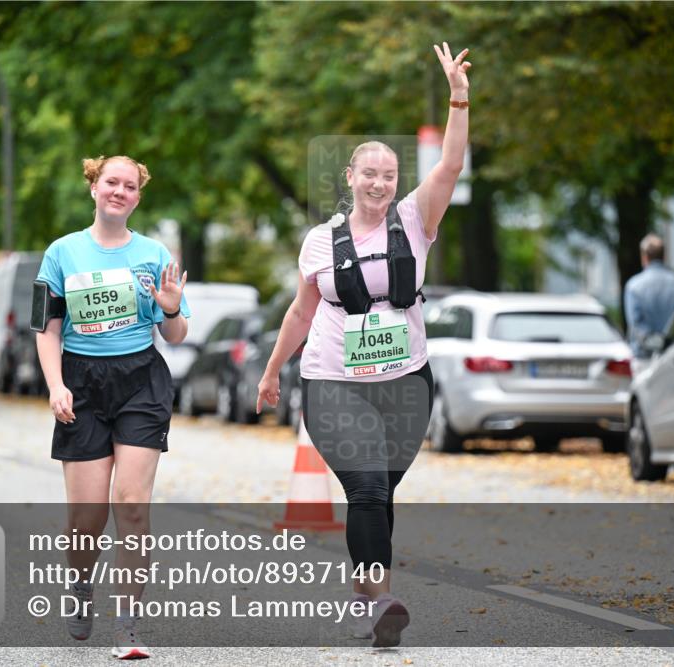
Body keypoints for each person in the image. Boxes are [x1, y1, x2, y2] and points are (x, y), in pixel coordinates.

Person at [257, 42, 471, 648]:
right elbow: (301, 310)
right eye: (368, 173)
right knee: (368, 488)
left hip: (406, 379)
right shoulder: (320, 242)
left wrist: (458, 97)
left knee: (380, 494)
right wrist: (273, 371)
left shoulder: (415, 219)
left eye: (388, 175)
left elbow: (451, 165)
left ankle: (366, 595)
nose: (379, 183)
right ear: (350, 177)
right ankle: (380, 599)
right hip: (334, 381)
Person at [35, 154, 191, 659]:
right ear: (94, 187)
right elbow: (47, 328)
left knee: (131, 506)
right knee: (87, 516)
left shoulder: (152, 253)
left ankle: (127, 624)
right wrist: (56, 385)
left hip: (140, 380)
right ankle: (81, 587)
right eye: (111, 183)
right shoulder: (62, 253)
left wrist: (169, 306)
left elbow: (175, 332)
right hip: (81, 381)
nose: (119, 192)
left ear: (137, 197)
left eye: (129, 186)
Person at [624, 233, 674, 359]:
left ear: (644, 257)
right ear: (664, 256)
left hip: (643, 357)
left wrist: (653, 343)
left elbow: (636, 325)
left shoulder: (633, 286)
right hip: (673, 357)